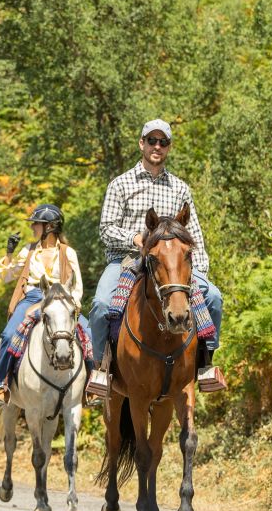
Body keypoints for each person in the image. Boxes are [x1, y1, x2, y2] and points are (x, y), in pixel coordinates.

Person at [85, 119, 224, 399]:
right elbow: (106, 229)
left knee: (214, 297)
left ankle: (205, 365)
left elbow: (194, 234)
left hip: (172, 265)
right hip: (127, 260)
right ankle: (101, 369)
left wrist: (199, 272)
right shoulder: (120, 184)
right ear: (142, 144)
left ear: (168, 147)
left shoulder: (180, 188)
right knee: (101, 306)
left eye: (163, 142)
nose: (157, 146)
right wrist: (134, 238)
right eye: (152, 141)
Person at [0, 204, 85, 405]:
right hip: (32, 297)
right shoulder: (28, 250)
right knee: (8, 335)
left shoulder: (68, 253)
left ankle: (91, 385)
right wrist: (9, 253)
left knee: (89, 332)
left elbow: (77, 286)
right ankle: (3, 384)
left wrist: (73, 307)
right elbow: (7, 276)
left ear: (50, 226)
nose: (32, 227)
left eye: (36, 224)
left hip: (61, 300)